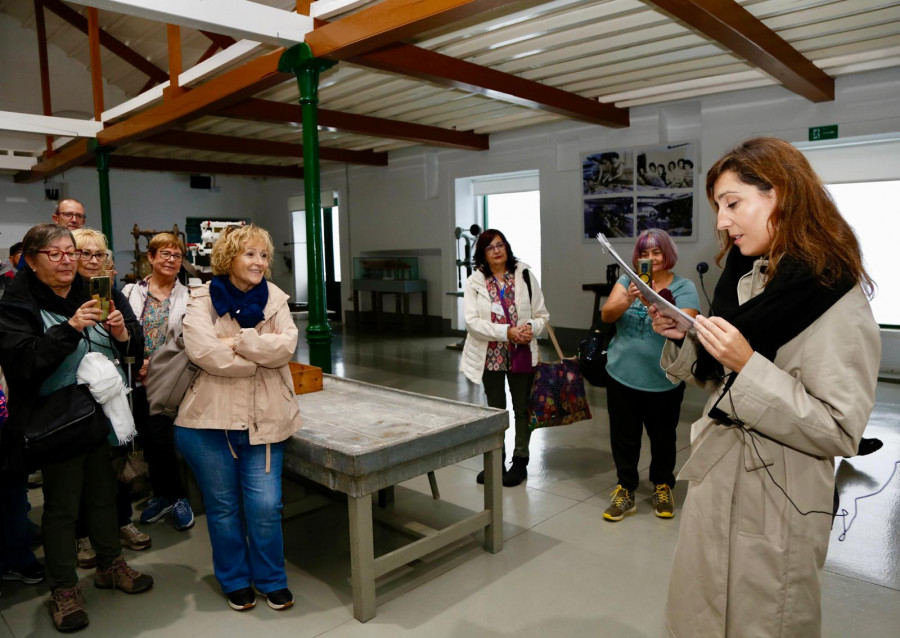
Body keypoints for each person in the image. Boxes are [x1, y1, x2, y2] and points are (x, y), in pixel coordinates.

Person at [650, 137, 880, 637]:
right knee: (700, 615)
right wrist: (689, 336)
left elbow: (839, 430)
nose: (721, 222)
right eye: (717, 207)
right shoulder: (745, 278)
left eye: (733, 203)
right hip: (718, 484)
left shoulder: (834, 295)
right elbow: (722, 375)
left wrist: (747, 363)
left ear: (781, 196)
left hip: (778, 502)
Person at [0, 224, 152, 633]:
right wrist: (69, 330)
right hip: (59, 421)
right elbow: (23, 364)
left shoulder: (95, 293)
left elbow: (132, 351)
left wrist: (122, 335)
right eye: (55, 254)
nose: (68, 260)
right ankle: (64, 588)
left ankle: (110, 564)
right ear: (30, 262)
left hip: (103, 417)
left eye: (72, 253)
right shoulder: (18, 305)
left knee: (105, 497)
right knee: (64, 508)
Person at [174, 224, 300, 612]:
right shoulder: (201, 299)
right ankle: (234, 579)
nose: (259, 262)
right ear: (229, 258)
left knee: (265, 507)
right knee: (224, 508)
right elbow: (202, 352)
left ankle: (270, 579)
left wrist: (241, 341)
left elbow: (287, 348)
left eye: (263, 255)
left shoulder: (276, 299)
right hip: (208, 423)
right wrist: (257, 356)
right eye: (250, 254)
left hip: (266, 420)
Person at [600, 229, 699, 521]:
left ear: (667, 254)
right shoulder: (626, 281)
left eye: (656, 252)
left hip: (663, 379)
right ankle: (625, 488)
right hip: (621, 375)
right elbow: (607, 314)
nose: (650, 259)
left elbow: (685, 326)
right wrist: (629, 298)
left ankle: (662, 484)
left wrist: (650, 300)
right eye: (644, 254)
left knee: (663, 437)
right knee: (624, 437)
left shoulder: (684, 287)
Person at [72, 228, 153, 560]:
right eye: (85, 254)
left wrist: (121, 331)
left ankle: (122, 521)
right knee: (79, 467)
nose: (93, 261)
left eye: (99, 254)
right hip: (75, 392)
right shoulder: (60, 295)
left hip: (114, 391)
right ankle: (83, 534)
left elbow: (136, 344)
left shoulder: (113, 295)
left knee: (117, 459)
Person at [460, 229, 550, 487]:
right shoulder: (475, 282)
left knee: (522, 408)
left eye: (500, 245)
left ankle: (520, 461)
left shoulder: (525, 276)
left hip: (521, 352)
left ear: (507, 248)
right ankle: (495, 462)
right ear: (483, 255)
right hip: (490, 354)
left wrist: (529, 329)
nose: (497, 251)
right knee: (495, 410)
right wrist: (506, 332)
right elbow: (471, 322)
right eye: (490, 248)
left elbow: (543, 315)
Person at [122, 233, 195, 532]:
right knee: (148, 439)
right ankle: (162, 494)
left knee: (162, 437)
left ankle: (178, 497)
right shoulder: (130, 292)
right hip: (136, 378)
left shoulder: (191, 296)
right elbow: (122, 330)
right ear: (150, 258)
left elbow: (189, 338)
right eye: (164, 253)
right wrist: (139, 365)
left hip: (173, 377)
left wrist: (154, 365)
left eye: (176, 255)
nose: (170, 259)